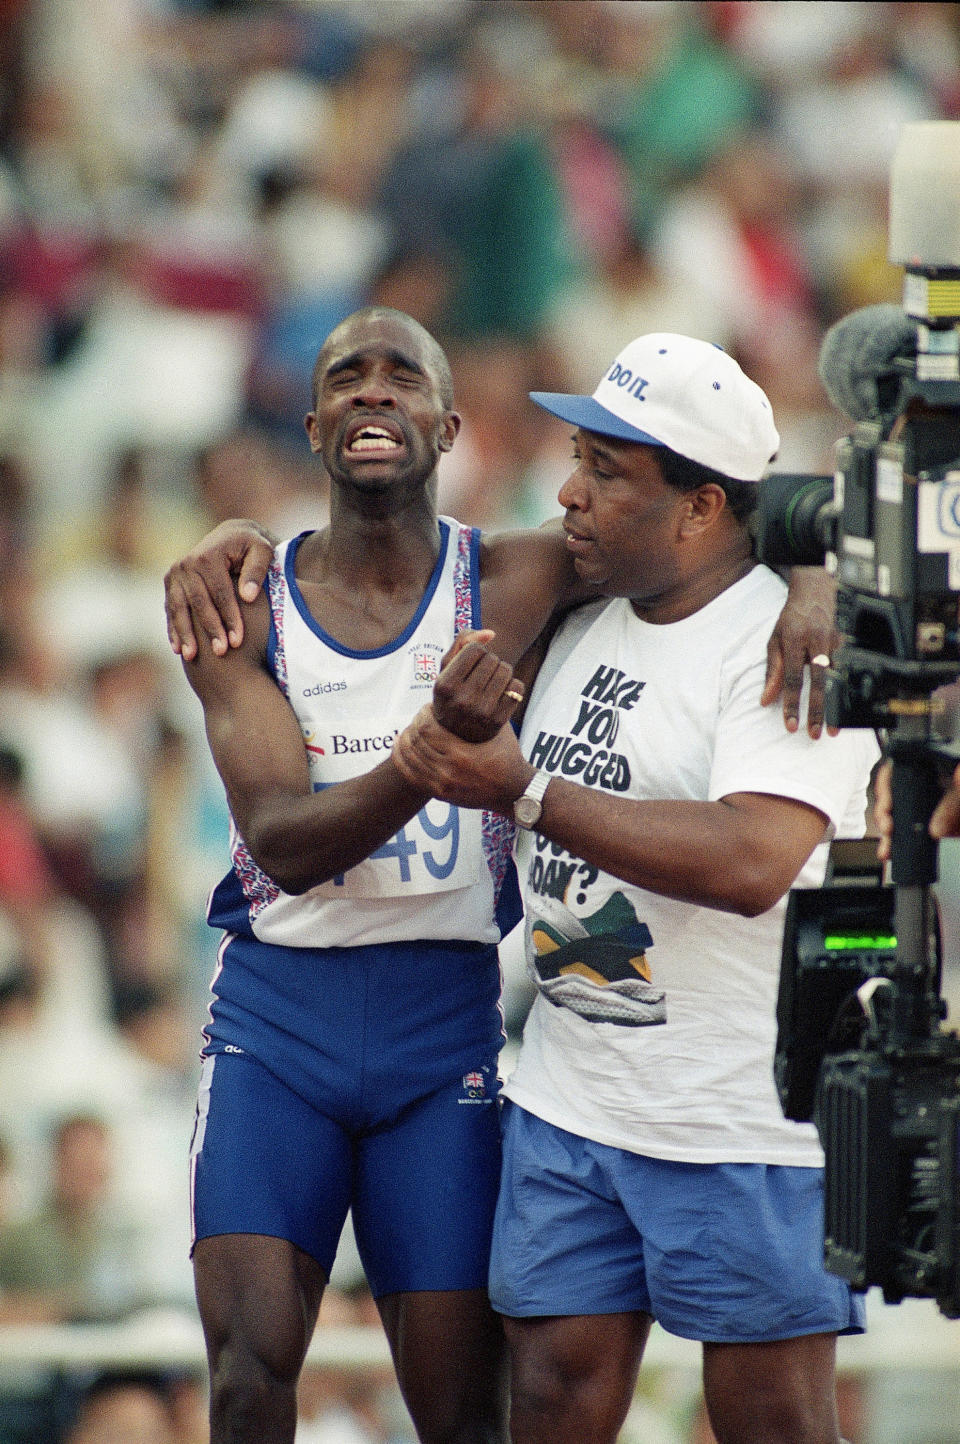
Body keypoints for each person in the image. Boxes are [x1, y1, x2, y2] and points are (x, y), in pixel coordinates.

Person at [166, 307, 839, 1444]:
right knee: (263, 1381)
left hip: (478, 1036)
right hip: (324, 1031)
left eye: (402, 377)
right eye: (348, 377)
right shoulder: (259, 599)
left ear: (449, 425)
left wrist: (815, 573)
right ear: (312, 416)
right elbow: (281, 842)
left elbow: (742, 505)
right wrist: (432, 755)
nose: (375, 393)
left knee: (494, 1414)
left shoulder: (533, 582)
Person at [389, 333, 881, 1444]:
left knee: (771, 1420)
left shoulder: (785, 645)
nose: (570, 491)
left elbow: (754, 858)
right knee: (554, 1398)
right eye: (579, 456)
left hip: (736, 1116)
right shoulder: (579, 604)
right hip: (574, 1098)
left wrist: (529, 791)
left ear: (704, 509)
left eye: (609, 473)